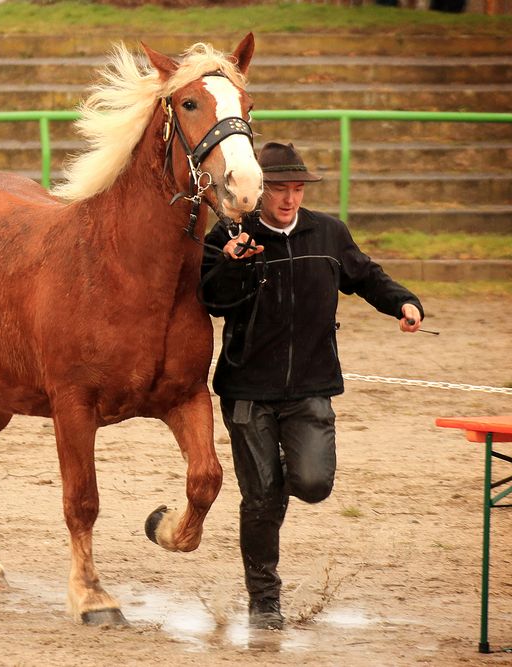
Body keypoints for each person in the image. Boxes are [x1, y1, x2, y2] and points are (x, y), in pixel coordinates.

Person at [199, 142, 425, 630]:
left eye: (297, 189)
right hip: (247, 390)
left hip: (311, 386)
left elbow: (365, 276)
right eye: (279, 190)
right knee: (259, 499)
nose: (288, 200)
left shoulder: (328, 231)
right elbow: (211, 301)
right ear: (260, 190)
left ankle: (278, 475)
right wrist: (232, 263)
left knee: (314, 484)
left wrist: (404, 303)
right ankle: (264, 602)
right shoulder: (228, 235)